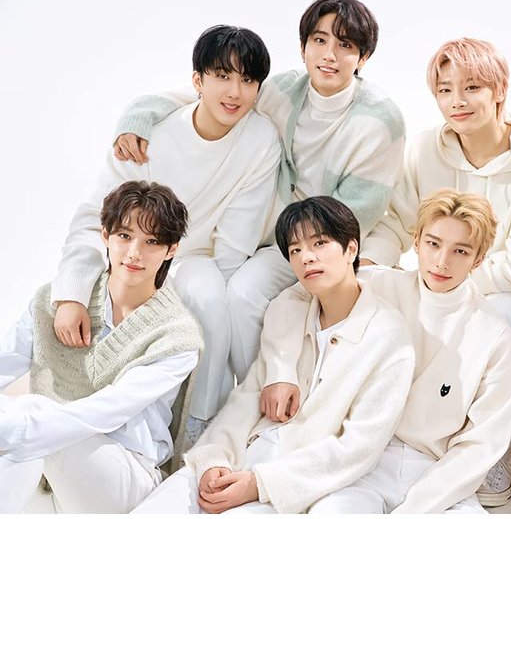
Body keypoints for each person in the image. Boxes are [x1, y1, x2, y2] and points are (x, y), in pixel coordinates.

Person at [112, 0, 406, 393]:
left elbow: (356, 215)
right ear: (303, 48)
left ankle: (261, 393)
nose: (330, 55)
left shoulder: (380, 121)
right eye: (319, 40)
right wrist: (137, 115)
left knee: (245, 293)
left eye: (345, 45)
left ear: (363, 58)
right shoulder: (282, 90)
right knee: (221, 294)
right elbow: (210, 93)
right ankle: (242, 397)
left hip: (319, 241)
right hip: (263, 238)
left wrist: (298, 247)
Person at [52, 25, 280, 437]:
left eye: (248, 80)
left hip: (200, 260)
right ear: (198, 81)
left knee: (210, 296)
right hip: (137, 257)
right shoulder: (146, 137)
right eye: (222, 76)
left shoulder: (262, 139)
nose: (234, 92)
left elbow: (234, 242)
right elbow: (93, 219)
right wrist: (72, 293)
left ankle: (200, 425)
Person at [360, 37, 511, 505]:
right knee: (369, 294)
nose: (456, 102)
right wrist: (368, 264)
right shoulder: (426, 148)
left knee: (498, 319)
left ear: (499, 90)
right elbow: (398, 220)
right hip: (435, 275)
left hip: (494, 288)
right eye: (444, 90)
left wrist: (449, 283)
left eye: (471, 88)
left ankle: (488, 450)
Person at [132, 197, 415, 514]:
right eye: (295, 250)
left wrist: (261, 485)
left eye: (320, 243)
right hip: (240, 459)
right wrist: (214, 458)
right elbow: (247, 397)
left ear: (351, 249)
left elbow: (358, 447)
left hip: (289, 485)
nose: (306, 258)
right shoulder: (290, 315)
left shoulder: (389, 338)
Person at [266, 190, 511, 514]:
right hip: (360, 461)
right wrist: (281, 371)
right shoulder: (374, 285)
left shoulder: (495, 338)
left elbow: (479, 447)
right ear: (416, 242)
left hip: (436, 473)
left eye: (460, 251)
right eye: (433, 244)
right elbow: (294, 298)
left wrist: (413, 511)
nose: (442, 261)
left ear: (479, 259)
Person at [0, 181, 203, 514]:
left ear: (171, 249)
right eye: (124, 236)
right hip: (50, 459)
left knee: (29, 412)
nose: (134, 253)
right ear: (105, 236)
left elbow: (108, 410)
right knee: (18, 414)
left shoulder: (176, 336)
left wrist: (15, 429)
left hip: (126, 476)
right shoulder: (55, 301)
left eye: (152, 241)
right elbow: (5, 361)